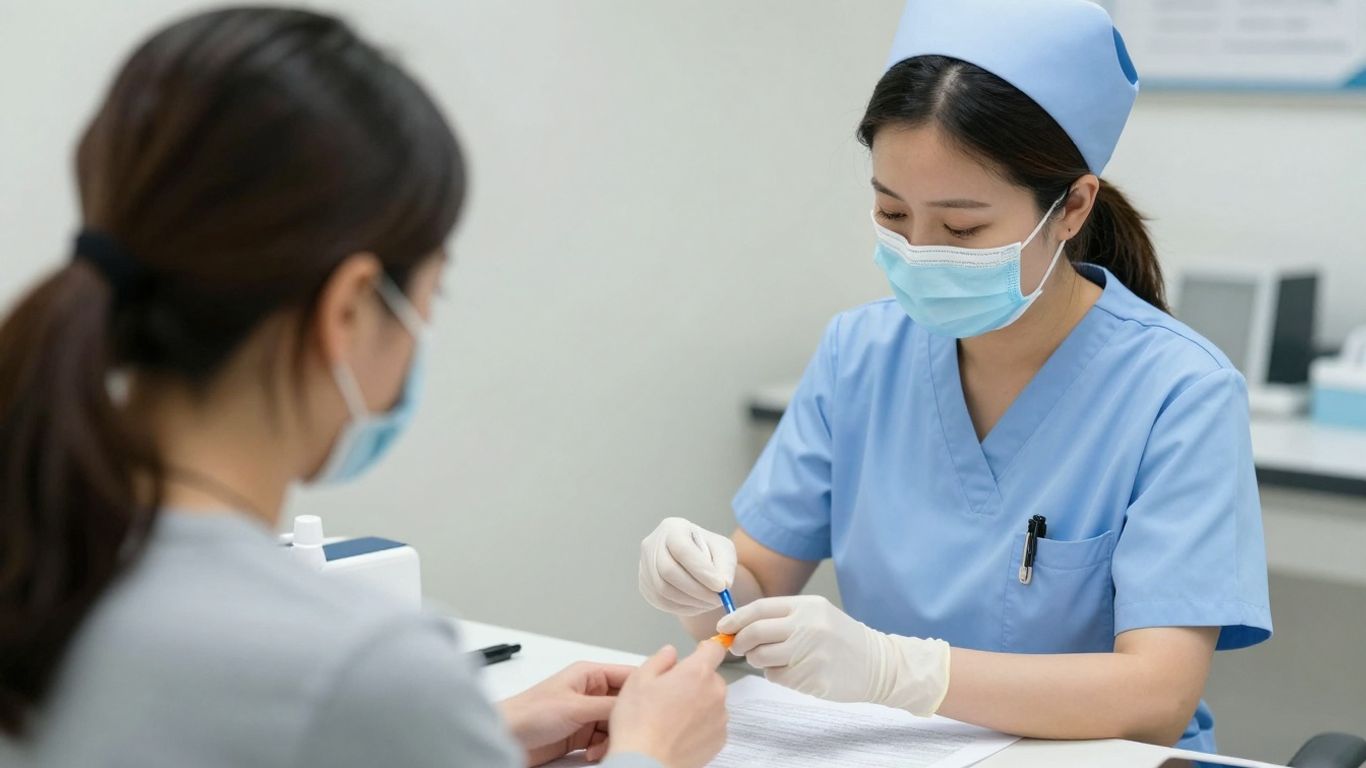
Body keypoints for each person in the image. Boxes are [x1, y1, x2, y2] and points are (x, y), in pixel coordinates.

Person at [0, 8, 728, 768]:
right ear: (348, 310)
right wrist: (652, 751)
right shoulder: (360, 665)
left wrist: (470, 736)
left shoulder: (44, 560)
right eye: (426, 300)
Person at [637, 0, 1271, 754]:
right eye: (892, 214)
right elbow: (752, 592)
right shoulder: (860, 354)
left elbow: (1157, 696)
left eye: (962, 228)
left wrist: (903, 671)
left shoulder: (1179, 392)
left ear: (1071, 207)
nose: (920, 251)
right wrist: (702, 585)